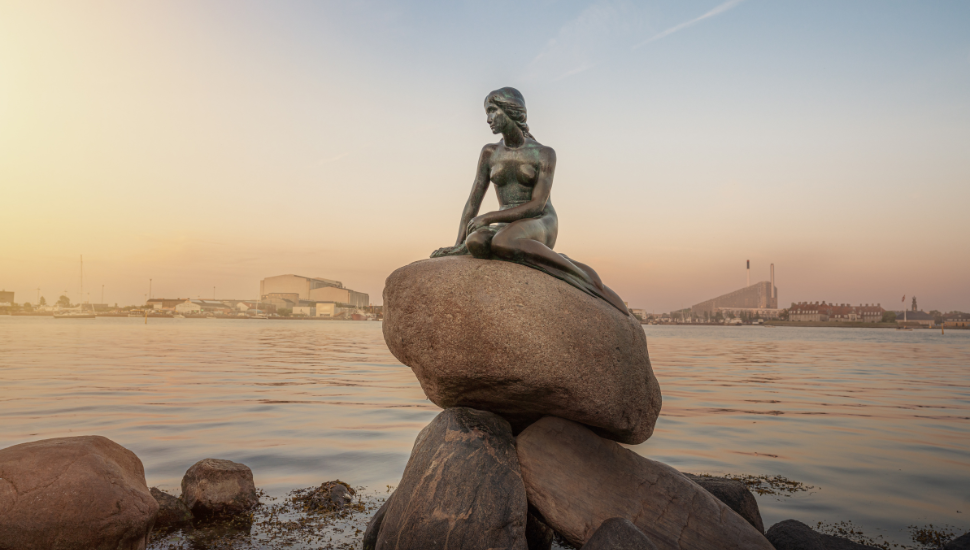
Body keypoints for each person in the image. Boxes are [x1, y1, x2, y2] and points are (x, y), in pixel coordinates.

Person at [431, 87, 628, 314]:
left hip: (540, 220)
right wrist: (458, 245)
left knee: (502, 242)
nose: (488, 119)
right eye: (487, 112)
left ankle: (584, 276)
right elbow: (473, 201)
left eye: (493, 111)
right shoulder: (489, 153)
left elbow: (537, 204)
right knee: (475, 242)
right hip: (507, 224)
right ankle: (536, 254)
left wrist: (490, 217)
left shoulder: (544, 153)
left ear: (511, 111)